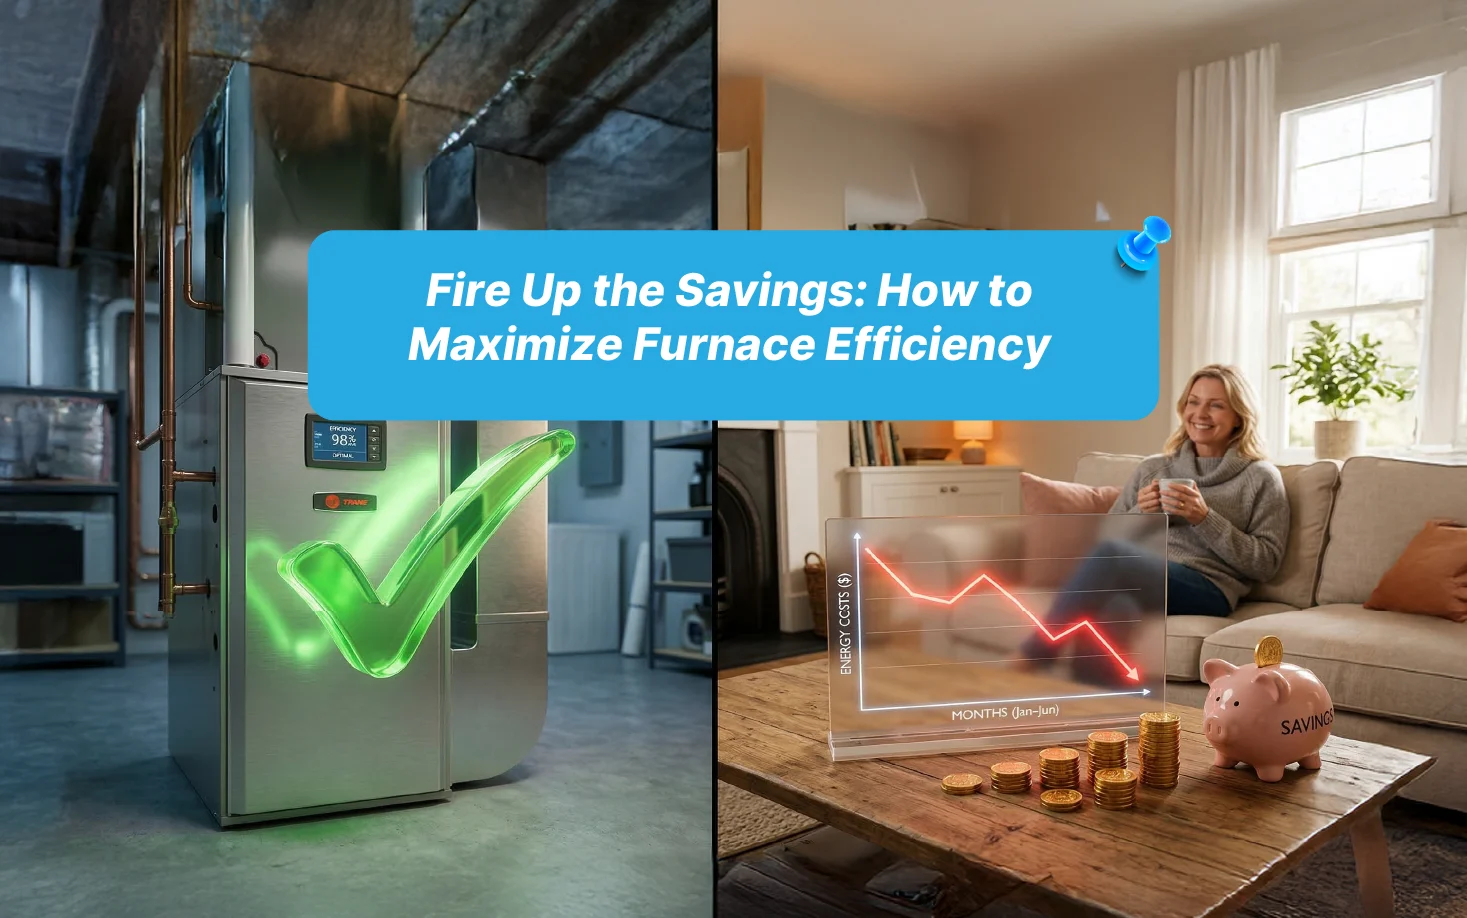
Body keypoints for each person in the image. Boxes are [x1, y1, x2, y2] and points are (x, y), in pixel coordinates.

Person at [1018, 365, 1290, 674]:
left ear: (1239, 416)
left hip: (1208, 587)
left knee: (1111, 559)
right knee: (1108, 615)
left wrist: (1204, 518)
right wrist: (1141, 513)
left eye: (1216, 405)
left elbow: (1266, 563)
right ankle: (1095, 715)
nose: (1200, 413)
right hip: (1142, 576)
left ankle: (1032, 658)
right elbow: (1106, 535)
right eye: (1193, 401)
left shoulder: (1260, 477)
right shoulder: (1155, 468)